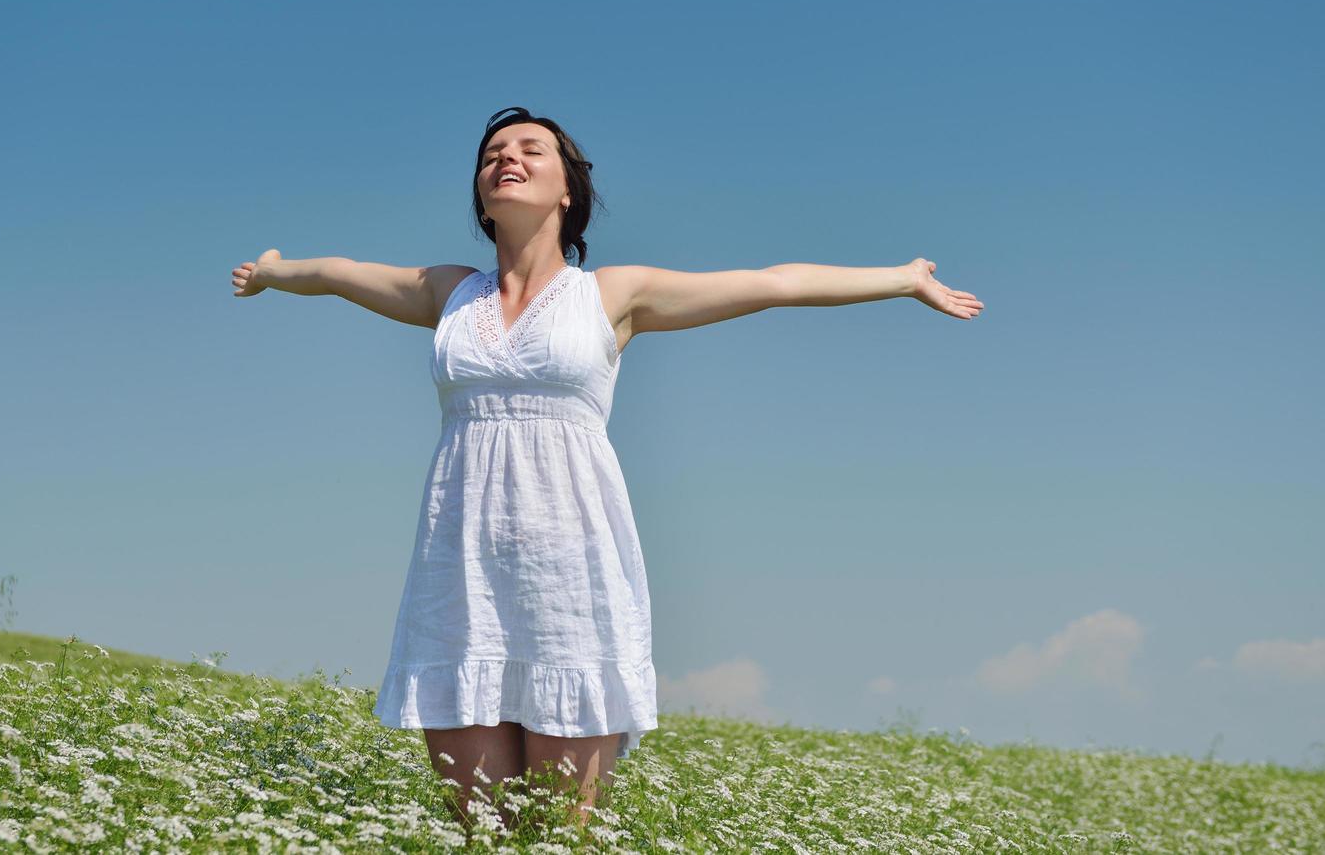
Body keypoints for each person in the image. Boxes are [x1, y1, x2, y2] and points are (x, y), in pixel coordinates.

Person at [230, 106, 984, 832]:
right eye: (492, 155)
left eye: (530, 150)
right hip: (459, 568)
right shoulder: (446, 293)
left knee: (558, 833)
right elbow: (335, 272)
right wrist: (271, 269)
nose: (506, 159)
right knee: (482, 832)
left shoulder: (612, 294)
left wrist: (901, 276)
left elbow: (772, 283)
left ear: (567, 190)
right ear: (482, 200)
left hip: (569, 569)